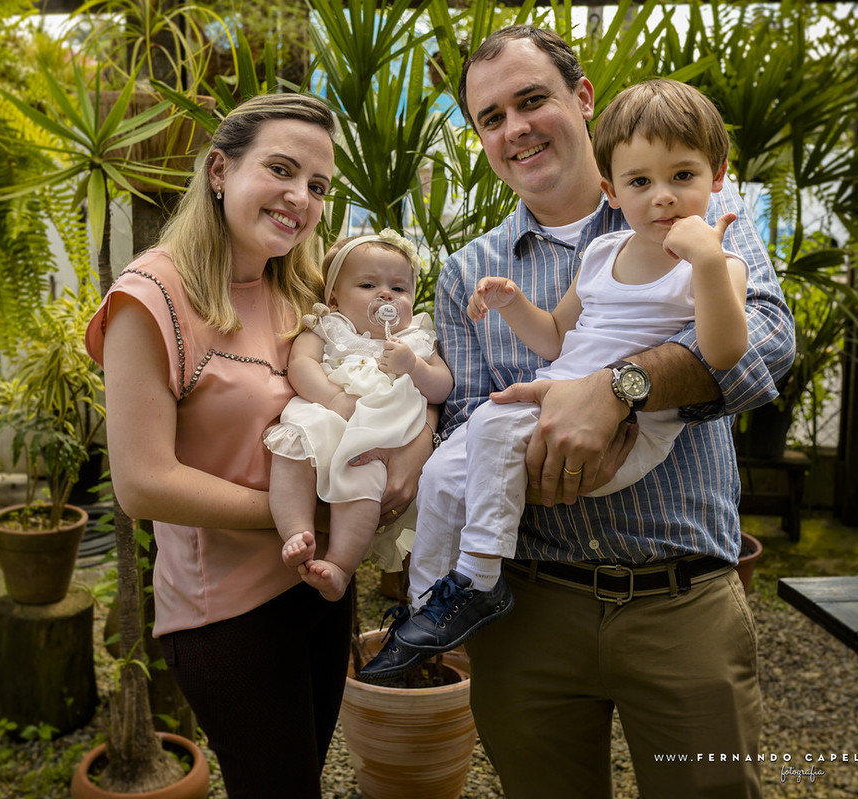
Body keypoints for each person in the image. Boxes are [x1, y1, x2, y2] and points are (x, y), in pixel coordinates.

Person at [374, 26, 795, 799]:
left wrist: (620, 387)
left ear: (582, 98)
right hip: (529, 606)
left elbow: (765, 348)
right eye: (490, 117)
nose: (515, 128)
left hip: (681, 597)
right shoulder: (472, 270)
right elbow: (469, 421)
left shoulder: (696, 213)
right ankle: (447, 595)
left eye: (531, 100)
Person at [84, 93, 433, 799]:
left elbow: (394, 382)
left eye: (318, 185)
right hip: (228, 614)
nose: (300, 197)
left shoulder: (303, 289)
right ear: (219, 170)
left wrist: (415, 450)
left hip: (319, 589)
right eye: (281, 169)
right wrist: (306, 519)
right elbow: (143, 483)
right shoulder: (151, 297)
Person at [361, 78, 751, 675]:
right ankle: (428, 608)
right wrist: (513, 302)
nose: (664, 198)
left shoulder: (718, 257)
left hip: (636, 430)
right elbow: (555, 338)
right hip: (548, 406)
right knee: (441, 473)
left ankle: (480, 577)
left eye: (683, 177)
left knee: (492, 430)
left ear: (718, 177)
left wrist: (704, 264)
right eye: (641, 182)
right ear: (612, 189)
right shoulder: (602, 256)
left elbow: (726, 351)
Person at [263, 229, 453, 602]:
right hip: (327, 415)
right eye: (368, 284)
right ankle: (297, 532)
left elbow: (441, 388)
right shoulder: (328, 327)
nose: (386, 294)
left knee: (364, 477)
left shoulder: (416, 339)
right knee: (294, 448)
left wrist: (413, 366)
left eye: (399, 289)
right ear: (334, 297)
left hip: (378, 435)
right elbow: (300, 365)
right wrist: (332, 398)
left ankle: (340, 565)